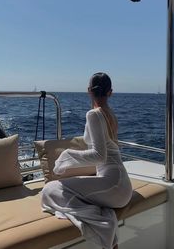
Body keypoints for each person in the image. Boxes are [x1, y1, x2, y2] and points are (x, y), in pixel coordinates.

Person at [41, 72, 132, 249]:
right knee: (64, 190)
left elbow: (99, 156)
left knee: (49, 190)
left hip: (113, 186)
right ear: (110, 92)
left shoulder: (93, 114)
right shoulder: (110, 114)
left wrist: (66, 156)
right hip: (122, 185)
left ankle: (106, 228)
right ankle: (110, 237)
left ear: (89, 91)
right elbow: (106, 151)